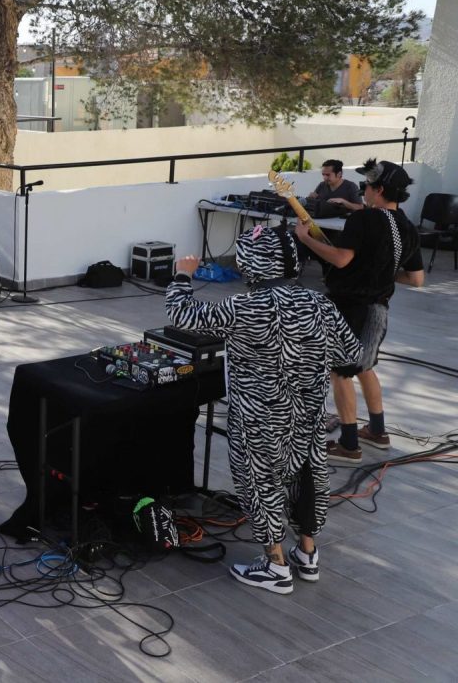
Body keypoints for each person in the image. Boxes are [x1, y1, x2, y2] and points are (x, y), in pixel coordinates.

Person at [166, 228, 362, 594]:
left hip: (259, 419)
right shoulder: (318, 303)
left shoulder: (244, 306)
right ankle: (307, 553)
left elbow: (182, 315)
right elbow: (352, 354)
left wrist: (182, 274)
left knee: (261, 483)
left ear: (251, 263)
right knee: (307, 478)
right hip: (308, 415)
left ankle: (275, 566)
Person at [295, 159, 425, 466]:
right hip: (379, 310)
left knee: (341, 372)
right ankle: (377, 432)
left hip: (350, 308)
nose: (363, 190)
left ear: (378, 189)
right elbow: (416, 279)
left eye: (366, 185)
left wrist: (305, 238)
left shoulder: (363, 219)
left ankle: (349, 445)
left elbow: (341, 259)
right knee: (365, 367)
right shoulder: (408, 227)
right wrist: (381, 273)